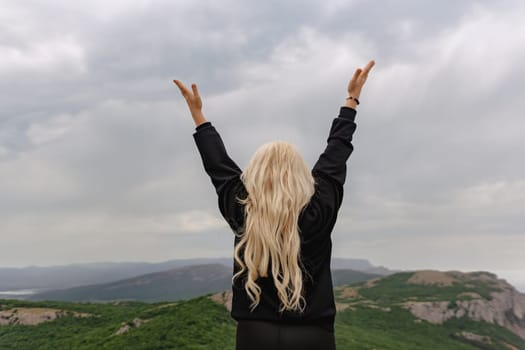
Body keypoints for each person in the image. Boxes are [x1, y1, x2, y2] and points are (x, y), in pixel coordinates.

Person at [173, 59, 375, 350]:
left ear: (254, 173)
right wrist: (351, 101)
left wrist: (198, 115)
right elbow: (335, 155)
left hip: (255, 334)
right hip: (313, 335)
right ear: (300, 174)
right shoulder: (319, 209)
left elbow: (218, 166)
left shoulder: (243, 209)